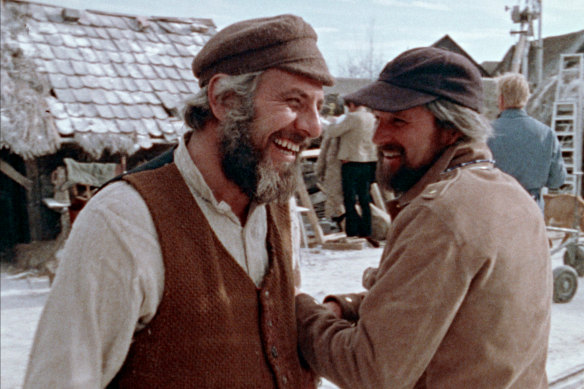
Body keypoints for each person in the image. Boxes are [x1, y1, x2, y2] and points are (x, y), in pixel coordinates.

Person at [24, 14, 334, 388]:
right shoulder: (123, 219)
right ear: (224, 99)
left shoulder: (277, 208)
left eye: (319, 106)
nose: (314, 127)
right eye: (294, 101)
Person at [295, 47, 551, 388]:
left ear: (452, 129)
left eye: (398, 121)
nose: (378, 136)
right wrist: (346, 308)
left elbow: (370, 369)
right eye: (379, 118)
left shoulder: (440, 214)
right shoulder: (512, 195)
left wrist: (298, 312)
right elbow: (447, 308)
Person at [488, 72, 566, 209]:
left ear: (501, 99)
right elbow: (557, 180)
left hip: (495, 208)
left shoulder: (484, 133)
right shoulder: (547, 134)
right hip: (532, 209)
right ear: (526, 98)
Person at [324, 101, 378, 239]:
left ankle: (352, 230)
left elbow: (333, 131)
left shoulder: (353, 117)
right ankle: (367, 230)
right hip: (369, 161)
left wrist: (333, 122)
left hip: (352, 161)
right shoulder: (372, 117)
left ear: (352, 104)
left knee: (350, 198)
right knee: (365, 197)